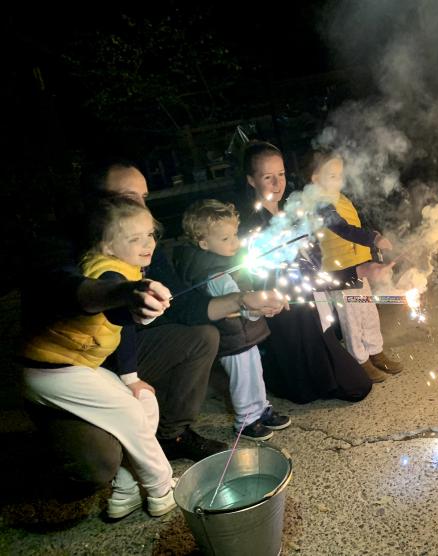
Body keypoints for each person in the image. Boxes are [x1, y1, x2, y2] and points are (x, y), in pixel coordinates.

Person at [21, 158, 286, 497]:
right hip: (62, 370)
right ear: (97, 202)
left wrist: (242, 300)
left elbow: (184, 306)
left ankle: (173, 435)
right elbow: (76, 290)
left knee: (202, 336)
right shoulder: (58, 243)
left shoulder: (144, 242)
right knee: (100, 464)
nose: (143, 209)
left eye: (145, 197)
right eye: (130, 197)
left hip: (115, 355)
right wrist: (123, 293)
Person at [20, 197, 176, 519]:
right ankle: (162, 489)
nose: (148, 243)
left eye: (151, 234)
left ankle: (125, 491)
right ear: (106, 244)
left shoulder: (128, 267)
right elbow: (110, 293)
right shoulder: (106, 271)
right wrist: (131, 298)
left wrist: (140, 310)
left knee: (144, 399)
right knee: (131, 413)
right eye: (135, 238)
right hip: (49, 370)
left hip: (75, 367)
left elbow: (124, 316)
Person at [242, 141, 373, 403]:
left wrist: (350, 272)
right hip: (284, 307)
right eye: (268, 177)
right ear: (251, 180)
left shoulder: (292, 211)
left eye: (280, 174)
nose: (277, 184)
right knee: (311, 388)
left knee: (358, 386)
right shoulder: (251, 223)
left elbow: (314, 260)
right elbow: (257, 272)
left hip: (309, 299)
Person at [174, 199, 291, 440]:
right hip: (232, 337)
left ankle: (260, 408)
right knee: (243, 376)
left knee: (254, 371)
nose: (235, 243)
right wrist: (261, 307)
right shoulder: (212, 271)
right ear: (204, 242)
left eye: (235, 235)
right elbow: (237, 299)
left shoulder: (222, 260)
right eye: (225, 239)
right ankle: (245, 420)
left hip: (243, 333)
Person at [307, 150, 403, 381]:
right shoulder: (320, 204)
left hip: (357, 265)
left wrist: (373, 249)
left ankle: (375, 352)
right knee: (352, 317)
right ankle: (359, 361)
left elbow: (356, 224)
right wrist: (373, 238)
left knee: (368, 311)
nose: (338, 180)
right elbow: (342, 229)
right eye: (331, 175)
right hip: (340, 271)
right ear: (315, 178)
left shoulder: (341, 199)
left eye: (340, 175)